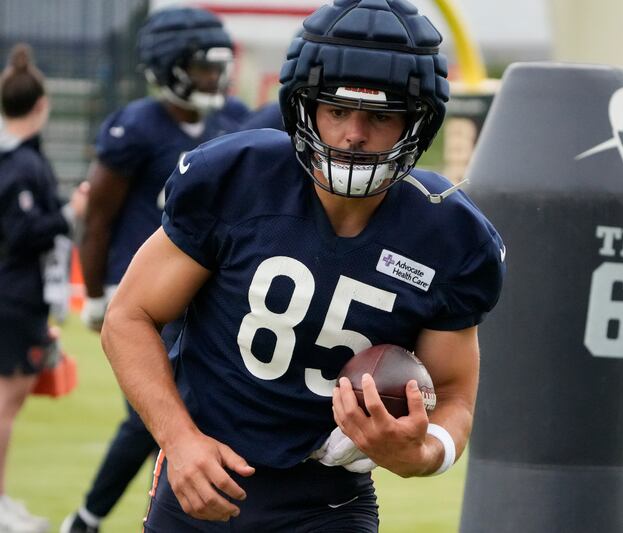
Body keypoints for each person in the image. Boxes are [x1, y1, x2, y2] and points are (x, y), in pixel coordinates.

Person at [103, 0, 505, 530]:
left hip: (330, 501)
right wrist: (179, 440)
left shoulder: (446, 235)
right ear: (303, 107)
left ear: (416, 122)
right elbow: (127, 317)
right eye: (336, 110)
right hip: (206, 472)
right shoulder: (236, 179)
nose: (353, 135)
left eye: (380, 117)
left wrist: (426, 451)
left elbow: (455, 396)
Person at [60, 7, 244, 533]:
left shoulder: (232, 120)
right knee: (155, 417)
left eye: (217, 67)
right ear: (169, 67)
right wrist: (96, 294)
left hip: (203, 294)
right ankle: (87, 520)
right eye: (201, 67)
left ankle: (159, 515)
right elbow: (98, 217)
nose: (214, 78)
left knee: (192, 413)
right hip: (139, 289)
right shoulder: (135, 127)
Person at [0, 44, 84, 533]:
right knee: (6, 404)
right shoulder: (21, 165)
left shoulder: (20, 158)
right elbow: (24, 230)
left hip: (17, 295)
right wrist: (71, 213)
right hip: (15, 295)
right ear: (41, 105)